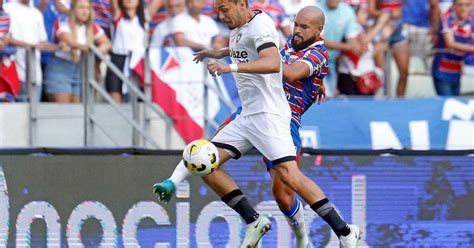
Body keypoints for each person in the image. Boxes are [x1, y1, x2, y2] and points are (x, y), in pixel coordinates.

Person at [154, 5, 361, 247]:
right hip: (252, 112)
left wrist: (241, 63)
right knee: (207, 162)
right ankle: (253, 220)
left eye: (304, 27)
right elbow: (256, 49)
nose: (297, 31)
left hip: (279, 119)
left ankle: (338, 232)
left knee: (285, 191)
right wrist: (221, 52)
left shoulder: (317, 54)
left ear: (319, 30)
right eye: (296, 24)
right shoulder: (282, 42)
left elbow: (288, 70)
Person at [44, 0, 111, 103]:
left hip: (80, 68)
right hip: (61, 68)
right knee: (64, 110)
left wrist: (97, 50)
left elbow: (107, 43)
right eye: (81, 8)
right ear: (73, 9)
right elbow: (70, 41)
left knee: (77, 111)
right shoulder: (63, 20)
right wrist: (91, 49)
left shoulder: (91, 26)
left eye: (87, 8)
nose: (85, 11)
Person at [105, 0, 162, 103]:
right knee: (115, 95)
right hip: (119, 59)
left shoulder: (144, 16)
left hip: (138, 61)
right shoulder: (118, 14)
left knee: (140, 98)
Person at [368, 0, 410, 97]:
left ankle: (400, 102)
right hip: (381, 26)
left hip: (398, 27)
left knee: (404, 71)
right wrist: (389, 14)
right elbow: (371, 11)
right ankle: (382, 101)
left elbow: (404, 7)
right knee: (382, 73)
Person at [432, 0, 473, 96]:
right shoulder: (447, 18)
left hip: (457, 71)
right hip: (442, 71)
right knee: (447, 102)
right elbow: (450, 43)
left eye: (467, 5)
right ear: (454, 5)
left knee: (455, 102)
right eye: (460, 5)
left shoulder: (470, 21)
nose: (463, 8)